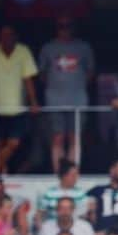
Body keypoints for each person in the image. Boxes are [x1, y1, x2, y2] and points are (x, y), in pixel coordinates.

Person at [0, 25, 39, 174]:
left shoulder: (23, 51)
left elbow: (28, 79)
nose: (6, 38)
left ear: (15, 37)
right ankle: (1, 173)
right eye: (3, 35)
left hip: (17, 108)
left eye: (10, 35)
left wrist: (33, 102)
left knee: (13, 143)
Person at [39, 17, 94, 174]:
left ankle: (72, 173)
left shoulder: (83, 47)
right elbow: (42, 74)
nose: (65, 29)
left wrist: (76, 86)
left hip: (78, 100)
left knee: (74, 137)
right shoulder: (48, 48)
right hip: (54, 100)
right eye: (61, 26)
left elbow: (90, 72)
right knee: (57, 137)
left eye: (68, 26)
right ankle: (59, 173)